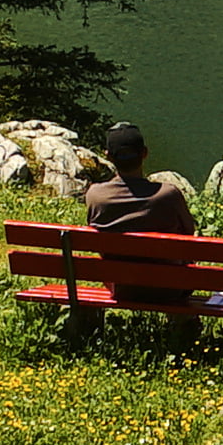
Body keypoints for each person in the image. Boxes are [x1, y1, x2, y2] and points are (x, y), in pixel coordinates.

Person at [63, 120, 199, 346]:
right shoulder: (168, 194)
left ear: (108, 156)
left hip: (122, 288)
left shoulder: (96, 196)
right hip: (170, 289)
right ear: (144, 154)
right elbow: (189, 233)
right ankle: (183, 331)